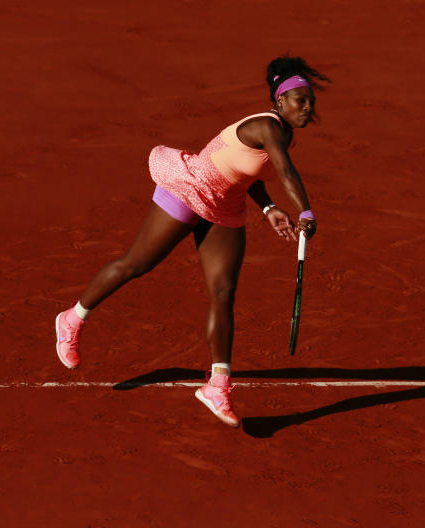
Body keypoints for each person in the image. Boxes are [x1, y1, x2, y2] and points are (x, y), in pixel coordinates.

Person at [54, 56, 329, 427]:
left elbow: (248, 174)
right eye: (300, 100)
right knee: (138, 264)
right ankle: (73, 318)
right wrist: (306, 212)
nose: (308, 107)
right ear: (279, 102)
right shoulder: (268, 125)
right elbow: (284, 170)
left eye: (310, 100)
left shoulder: (284, 134)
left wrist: (268, 209)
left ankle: (218, 385)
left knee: (223, 292)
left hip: (225, 207)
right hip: (191, 189)